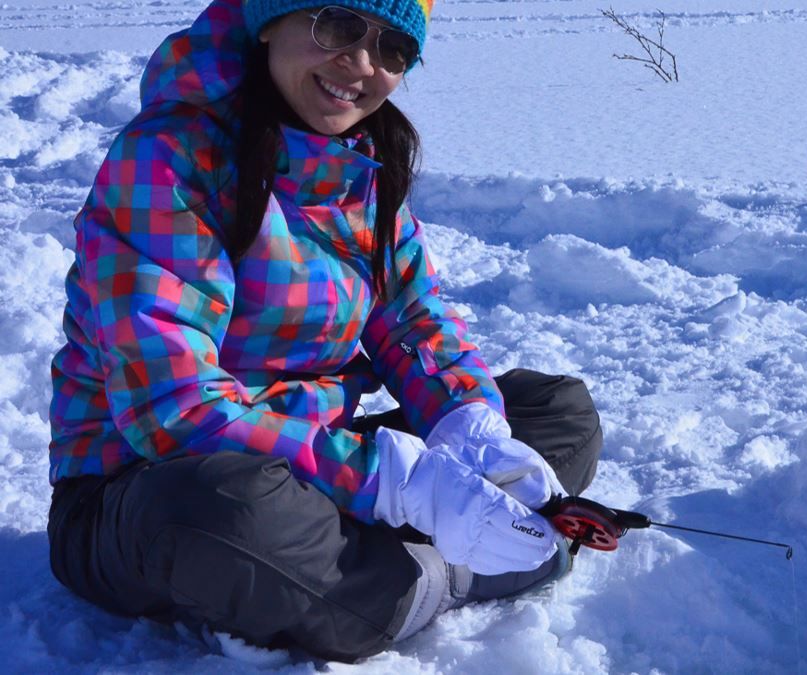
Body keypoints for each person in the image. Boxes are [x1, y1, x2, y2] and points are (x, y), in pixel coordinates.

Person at [45, 0, 602, 662]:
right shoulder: (165, 159)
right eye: (338, 26)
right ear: (273, 20)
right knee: (227, 512)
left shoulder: (359, 162)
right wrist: (401, 483)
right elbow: (175, 409)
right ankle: (424, 576)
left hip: (307, 465)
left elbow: (412, 322)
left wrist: (474, 434)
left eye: (392, 47)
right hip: (146, 485)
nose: (362, 64)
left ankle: (358, 573)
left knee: (555, 410)